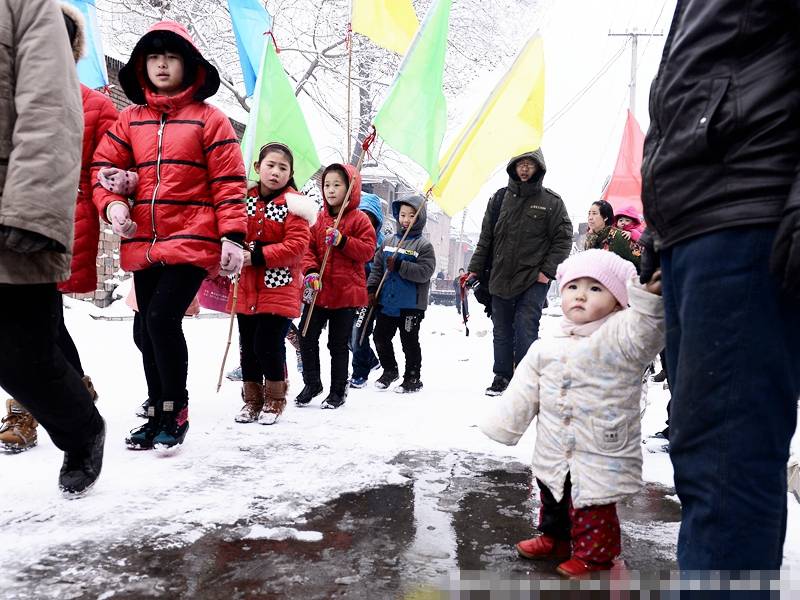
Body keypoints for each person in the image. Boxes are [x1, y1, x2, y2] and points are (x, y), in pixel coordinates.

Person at [642, 0, 800, 572]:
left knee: (726, 467)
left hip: (748, 216)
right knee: (700, 457)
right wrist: (661, 228)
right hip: (699, 223)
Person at [92, 20, 247, 450]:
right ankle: (157, 407)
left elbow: (230, 182)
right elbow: (100, 171)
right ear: (143, 65)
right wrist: (115, 202)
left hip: (194, 239)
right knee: (145, 330)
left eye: (171, 57)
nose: (162, 65)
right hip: (143, 242)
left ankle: (174, 409)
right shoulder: (129, 119)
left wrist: (233, 236)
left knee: (161, 318)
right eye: (154, 57)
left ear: (189, 64)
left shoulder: (210, 120)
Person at [480, 250, 665, 577]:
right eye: (573, 287)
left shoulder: (621, 338)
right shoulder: (547, 346)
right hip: (554, 443)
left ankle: (596, 556)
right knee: (552, 494)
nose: (581, 294)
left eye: (596, 289)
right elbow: (525, 389)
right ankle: (555, 538)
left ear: (619, 301)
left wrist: (648, 302)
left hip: (599, 444)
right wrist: (503, 425)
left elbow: (647, 333)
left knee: (592, 502)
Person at [0, 3, 117, 452]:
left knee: (26, 333)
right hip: (28, 213)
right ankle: (73, 397)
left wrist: (107, 202)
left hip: (55, 217)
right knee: (41, 327)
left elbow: (104, 165)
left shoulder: (94, 105)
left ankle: (52, 413)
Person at [468, 149, 572, 396]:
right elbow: (486, 238)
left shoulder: (551, 202)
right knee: (501, 328)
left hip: (533, 278)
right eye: (520, 164)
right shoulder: (499, 199)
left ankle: (525, 379)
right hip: (500, 275)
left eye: (530, 165)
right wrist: (474, 269)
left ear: (539, 168)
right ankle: (502, 376)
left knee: (526, 326)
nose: (524, 170)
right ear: (513, 167)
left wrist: (547, 272)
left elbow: (563, 239)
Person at [230, 142, 316, 425]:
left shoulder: (295, 204)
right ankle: (252, 400)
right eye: (270, 165)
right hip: (246, 286)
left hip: (278, 286)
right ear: (257, 167)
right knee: (248, 346)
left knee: (267, 344)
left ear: (290, 173)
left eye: (283, 168)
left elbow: (297, 246)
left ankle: (275, 399)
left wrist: (256, 254)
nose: (276, 172)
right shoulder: (242, 199)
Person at [297, 164, 376, 409]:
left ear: (350, 189)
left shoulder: (359, 219)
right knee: (305, 334)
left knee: (337, 344)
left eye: (337, 185)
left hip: (345, 293)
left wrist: (343, 241)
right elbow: (307, 249)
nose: (331, 190)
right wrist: (310, 272)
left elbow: (367, 250)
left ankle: (338, 390)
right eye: (327, 185)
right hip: (318, 291)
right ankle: (312, 382)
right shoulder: (318, 219)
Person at [368, 194, 436, 393]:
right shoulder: (388, 241)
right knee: (380, 337)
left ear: (419, 218)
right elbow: (377, 268)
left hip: (410, 305)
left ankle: (412, 377)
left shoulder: (424, 246)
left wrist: (400, 265)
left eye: (412, 216)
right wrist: (372, 289)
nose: (406, 220)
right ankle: (390, 370)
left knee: (409, 342)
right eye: (403, 215)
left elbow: (425, 272)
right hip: (387, 302)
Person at [349, 192, 384, 389]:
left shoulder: (381, 243)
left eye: (369, 218)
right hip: (349, 295)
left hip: (367, 297)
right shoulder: (350, 238)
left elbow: (379, 270)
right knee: (347, 337)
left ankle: (359, 372)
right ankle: (370, 359)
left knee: (358, 333)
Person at [584, 200, 641, 271]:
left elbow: (640, 261)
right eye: (589, 214)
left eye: (594, 213)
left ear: (605, 217)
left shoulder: (619, 236)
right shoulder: (589, 239)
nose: (590, 217)